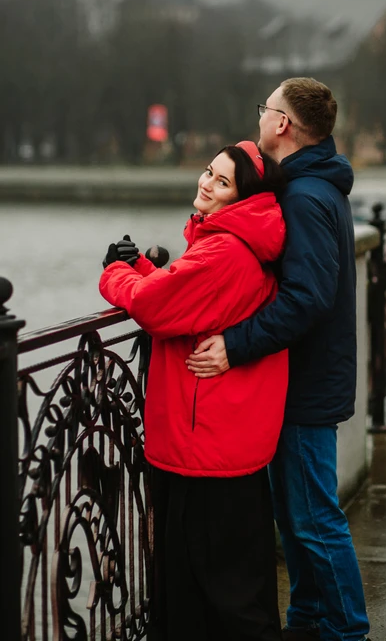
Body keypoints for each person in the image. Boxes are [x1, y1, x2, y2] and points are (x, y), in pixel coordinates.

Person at [186, 79, 370, 641]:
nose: (262, 117)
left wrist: (236, 344)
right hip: (308, 378)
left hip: (307, 385)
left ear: (283, 124)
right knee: (297, 516)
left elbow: (307, 297)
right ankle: (310, 618)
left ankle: (346, 630)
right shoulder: (316, 188)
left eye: (266, 109)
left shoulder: (307, 198)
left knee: (314, 519)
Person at [99, 141, 288, 641]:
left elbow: (154, 307)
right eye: (209, 171)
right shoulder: (240, 243)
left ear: (242, 199)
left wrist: (116, 273)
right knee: (235, 586)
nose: (206, 182)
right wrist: (144, 267)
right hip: (226, 442)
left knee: (212, 597)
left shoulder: (224, 249)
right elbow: (192, 302)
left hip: (202, 445)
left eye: (222, 181)